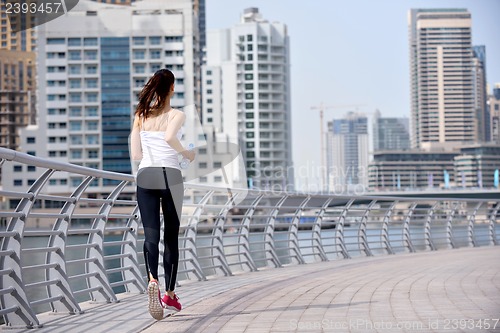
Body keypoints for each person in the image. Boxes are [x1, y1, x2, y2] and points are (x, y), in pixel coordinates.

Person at [130, 68, 195, 320]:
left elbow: (136, 154)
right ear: (171, 89)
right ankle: (169, 293)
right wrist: (186, 154)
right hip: (170, 175)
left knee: (150, 234)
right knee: (170, 237)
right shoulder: (178, 114)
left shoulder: (140, 115)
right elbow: (169, 137)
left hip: (146, 175)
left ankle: (151, 280)